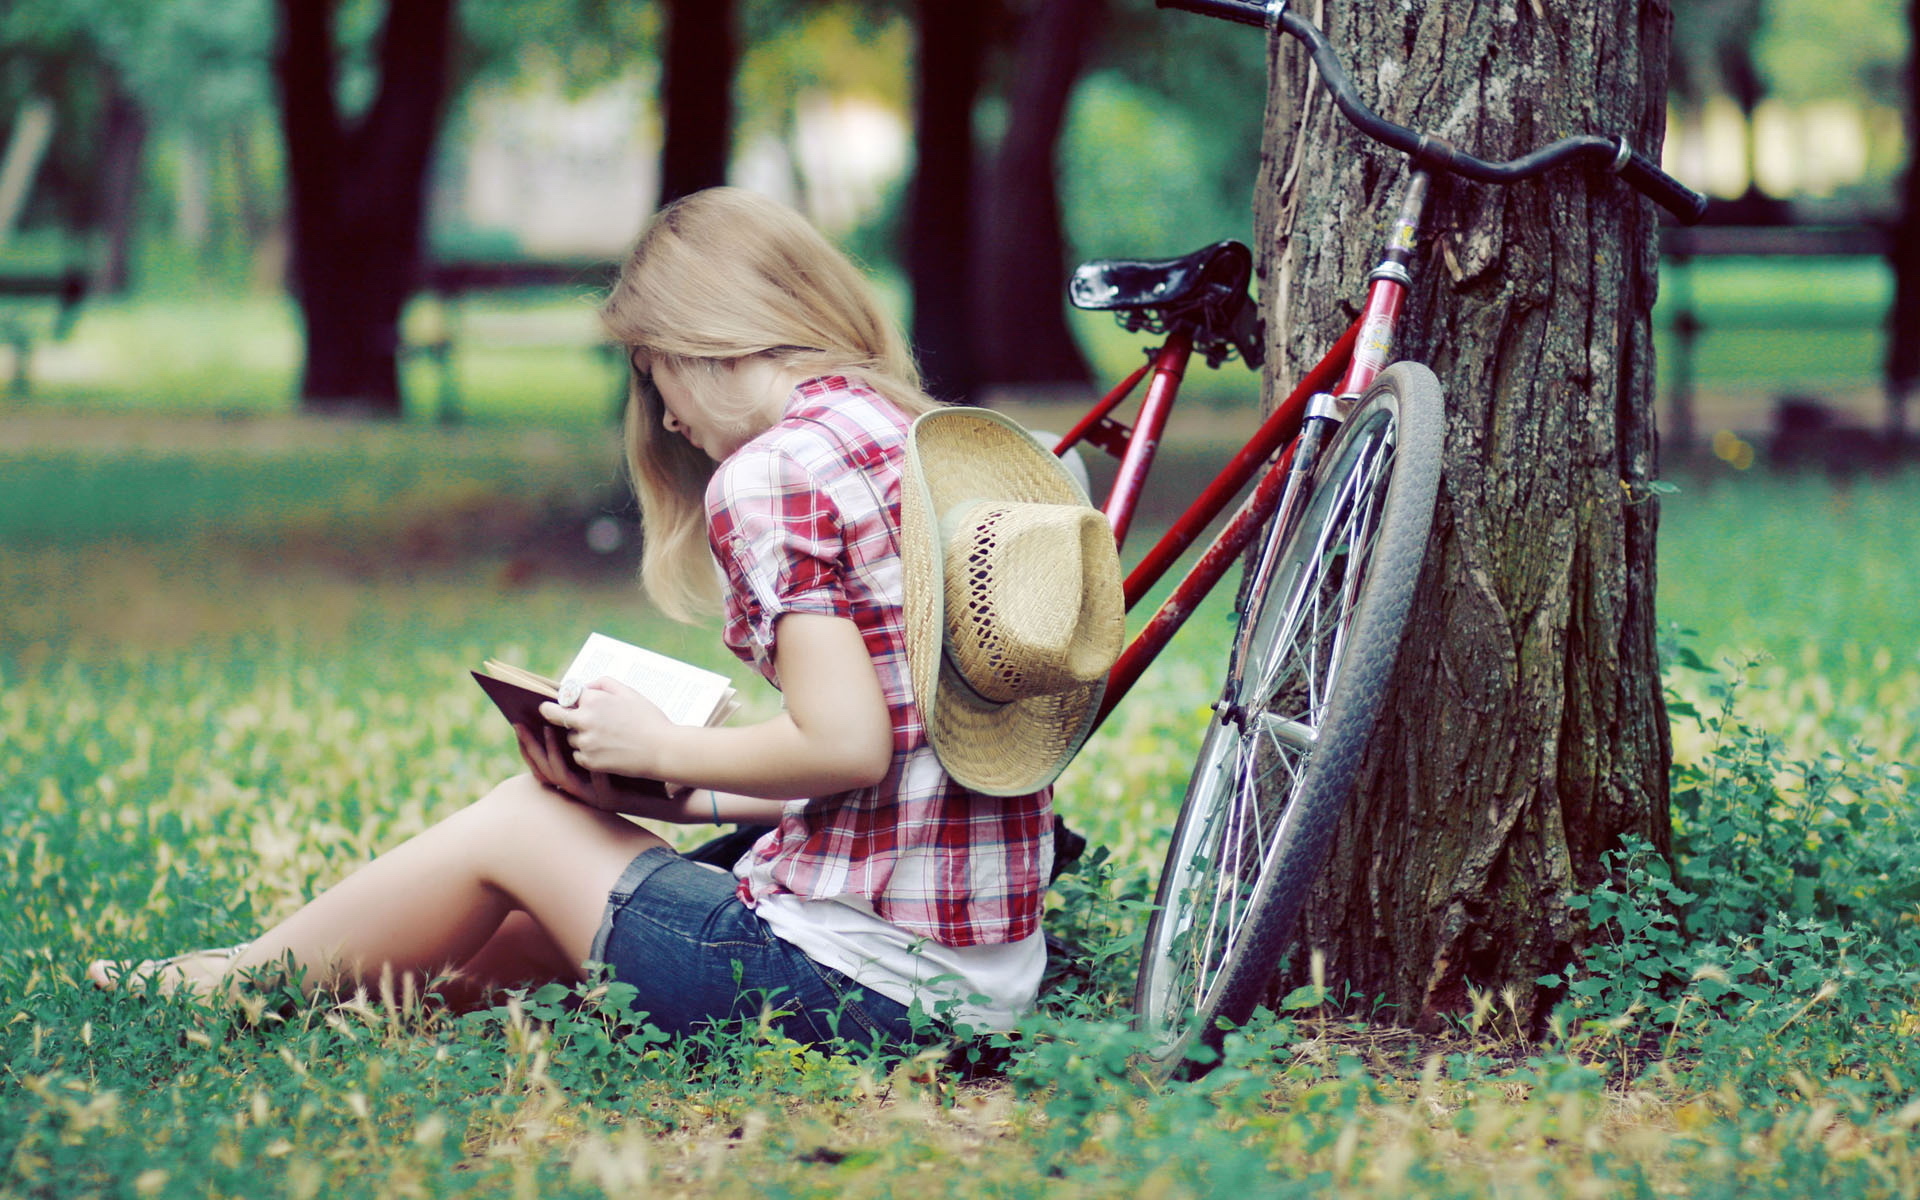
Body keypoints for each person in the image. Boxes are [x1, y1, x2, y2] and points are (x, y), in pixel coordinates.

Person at [87, 187, 1123, 1049]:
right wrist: (689, 795)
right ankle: (307, 1001)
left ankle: (228, 984)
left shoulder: (773, 474)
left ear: (703, 339)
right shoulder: (922, 440)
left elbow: (845, 745)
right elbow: (904, 761)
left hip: (864, 997)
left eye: (654, 371)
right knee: (520, 921)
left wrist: (661, 741)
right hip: (981, 986)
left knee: (521, 819)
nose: (667, 416)